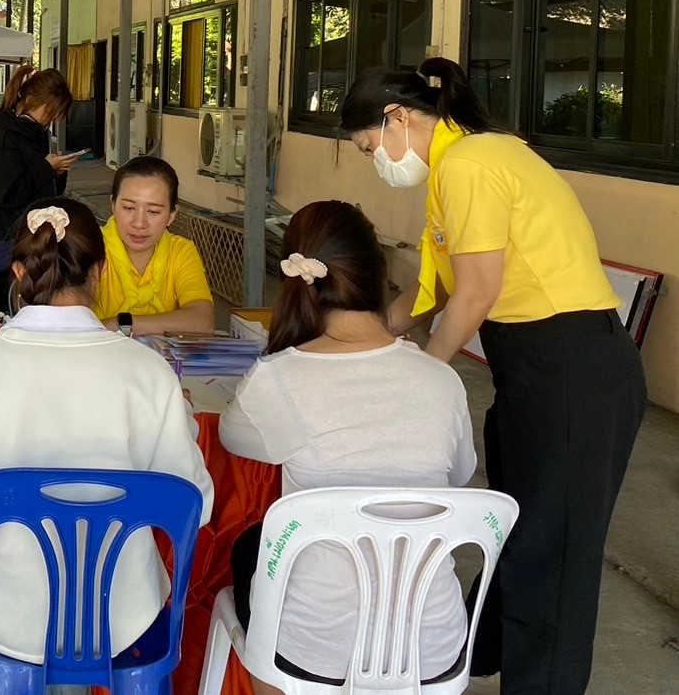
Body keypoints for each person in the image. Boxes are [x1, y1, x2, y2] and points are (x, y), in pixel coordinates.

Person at [340, 57, 646, 695]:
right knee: (518, 526)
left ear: (397, 118)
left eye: (370, 147)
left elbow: (476, 294)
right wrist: (357, 337)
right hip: (534, 366)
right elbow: (430, 292)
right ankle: (478, 653)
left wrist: (424, 375)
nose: (377, 162)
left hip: (571, 366)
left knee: (553, 553)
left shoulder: (472, 163)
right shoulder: (458, 167)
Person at [0, 197, 214, 665]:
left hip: (3, 609)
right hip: (123, 614)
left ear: (19, 273)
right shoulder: (147, 369)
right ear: (100, 271)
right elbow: (197, 502)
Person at [218, 200, 477, 689]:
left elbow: (234, 438)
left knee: (252, 545)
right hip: (434, 646)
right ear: (381, 277)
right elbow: (459, 477)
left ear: (294, 279)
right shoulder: (441, 380)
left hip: (314, 650)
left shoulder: (278, 377)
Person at [96, 156, 214, 337]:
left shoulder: (181, 252)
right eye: (129, 208)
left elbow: (203, 321)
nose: (139, 223)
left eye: (153, 211)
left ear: (172, 215)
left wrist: (119, 324)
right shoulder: (91, 247)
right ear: (113, 205)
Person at [0, 65, 75, 244]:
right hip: (16, 241)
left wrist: (57, 172)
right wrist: (46, 168)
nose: (50, 119)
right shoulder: (4, 139)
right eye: (49, 111)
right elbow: (4, 196)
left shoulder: (37, 132)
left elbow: (45, 188)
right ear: (29, 100)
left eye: (56, 114)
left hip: (42, 237)